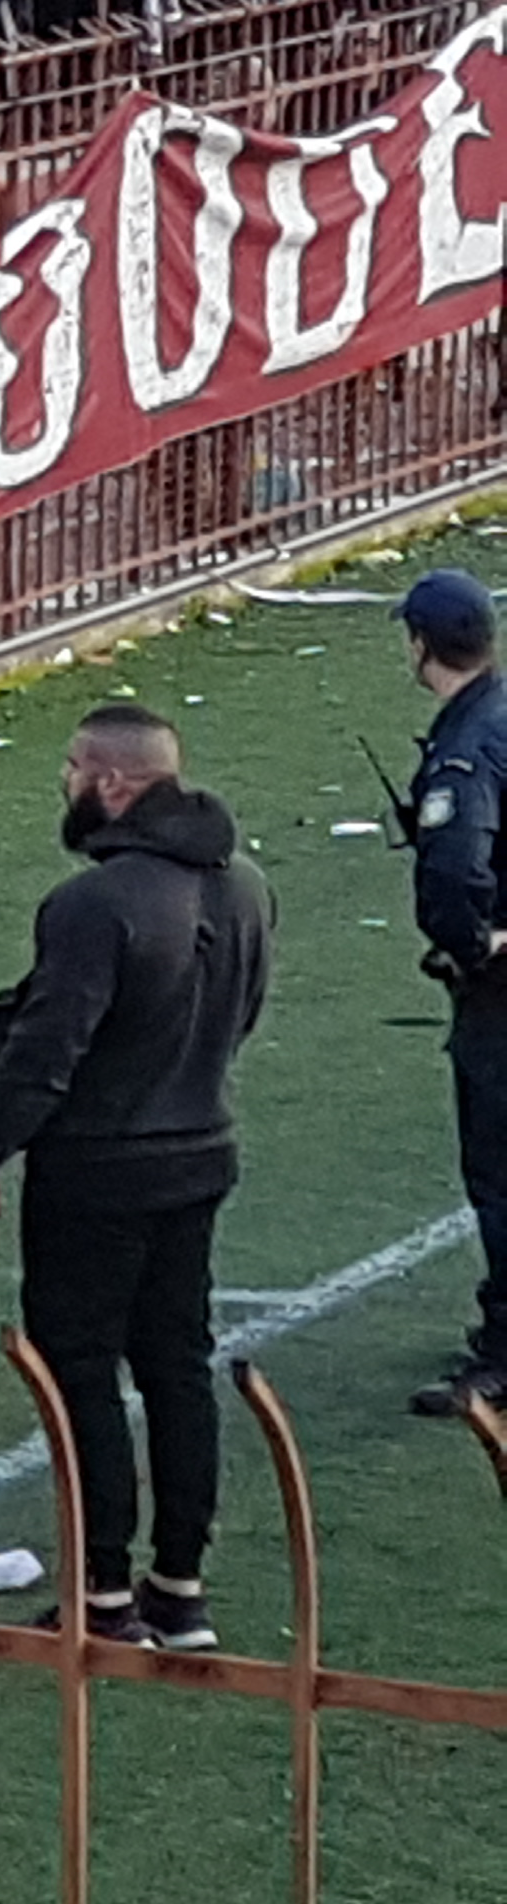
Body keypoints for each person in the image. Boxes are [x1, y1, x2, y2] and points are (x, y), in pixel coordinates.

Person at [0, 705, 269, 1649]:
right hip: (200, 1149)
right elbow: (243, 1014)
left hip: (96, 1170)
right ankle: (180, 1588)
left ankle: (103, 1594)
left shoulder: (93, 904)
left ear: (112, 782)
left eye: (72, 768)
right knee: (178, 1365)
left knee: (80, 1373)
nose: (66, 784)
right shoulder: (245, 886)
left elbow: (47, 1049)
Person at [395, 566, 507, 1418]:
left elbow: (456, 870)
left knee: (499, 1169)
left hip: (499, 996)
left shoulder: (466, 747)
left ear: (421, 645)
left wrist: (472, 946)